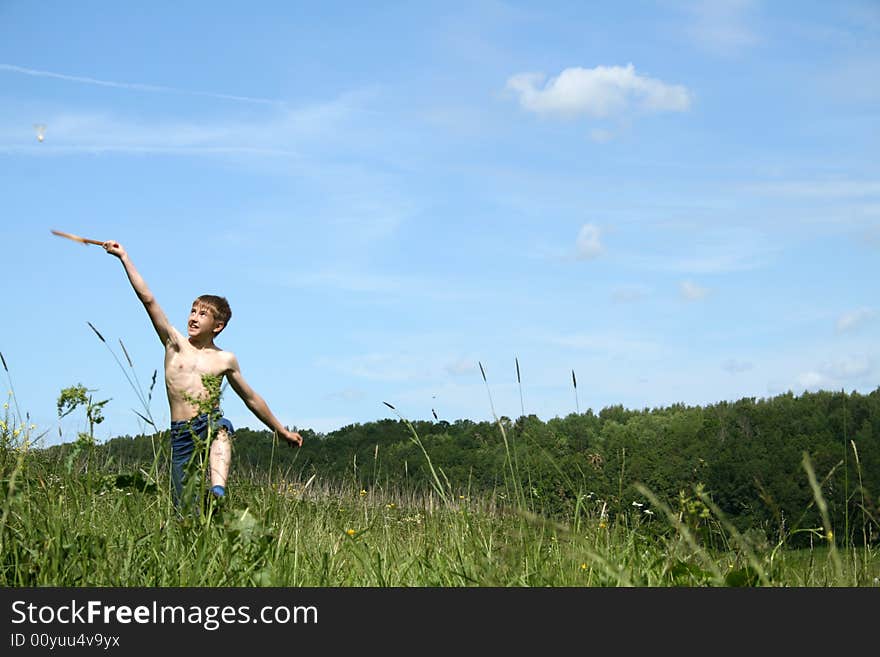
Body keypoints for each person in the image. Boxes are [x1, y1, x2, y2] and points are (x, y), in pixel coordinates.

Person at [102, 240, 302, 508]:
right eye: (193, 311)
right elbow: (148, 299)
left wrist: (280, 430)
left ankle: (218, 490)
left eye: (203, 314)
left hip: (206, 423)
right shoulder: (174, 344)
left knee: (221, 429)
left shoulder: (224, 359)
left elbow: (251, 398)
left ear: (217, 326)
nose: (194, 318)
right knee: (184, 507)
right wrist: (124, 257)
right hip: (180, 433)